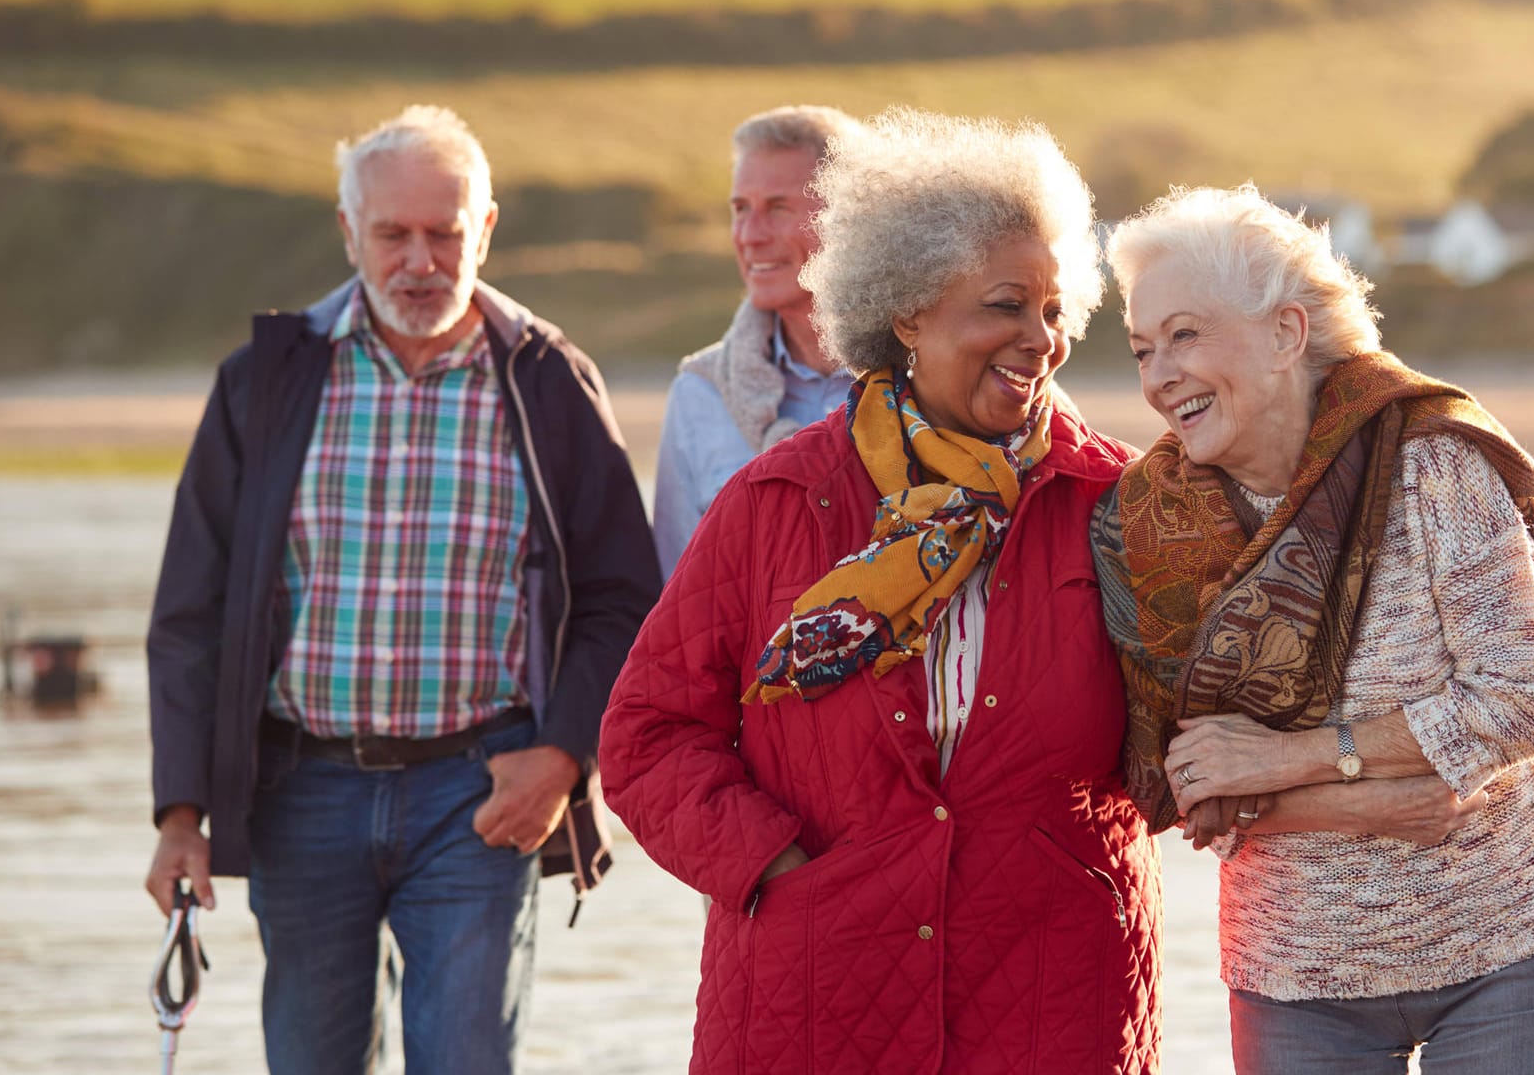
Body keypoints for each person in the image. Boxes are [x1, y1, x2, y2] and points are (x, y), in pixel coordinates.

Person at [601, 108, 1161, 1073]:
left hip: (1052, 995)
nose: (1042, 339)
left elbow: (1200, 731)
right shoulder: (774, 499)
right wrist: (772, 867)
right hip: (814, 992)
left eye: (1056, 310)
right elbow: (647, 735)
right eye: (1004, 306)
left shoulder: (1119, 504)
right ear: (907, 312)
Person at [142, 105, 661, 1074]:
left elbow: (622, 599)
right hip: (298, 793)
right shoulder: (265, 381)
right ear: (349, 232)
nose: (419, 260)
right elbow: (190, 617)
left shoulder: (550, 382)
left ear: (486, 229)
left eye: (444, 232)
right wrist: (181, 815)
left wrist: (560, 758)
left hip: (485, 793)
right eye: (392, 234)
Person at [1092, 184, 1534, 1074]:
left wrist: (1290, 760)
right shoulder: (1145, 522)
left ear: (1287, 333)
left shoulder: (1431, 462)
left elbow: (1521, 702)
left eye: (1185, 334)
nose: (1159, 374)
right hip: (1295, 977)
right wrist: (1380, 797)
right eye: (1143, 349)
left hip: (1509, 950)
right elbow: (1187, 785)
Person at [651, 104, 861, 577]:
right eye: (740, 210)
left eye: (777, 208)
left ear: (851, 219)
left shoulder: (936, 380)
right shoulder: (699, 394)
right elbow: (674, 603)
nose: (748, 235)